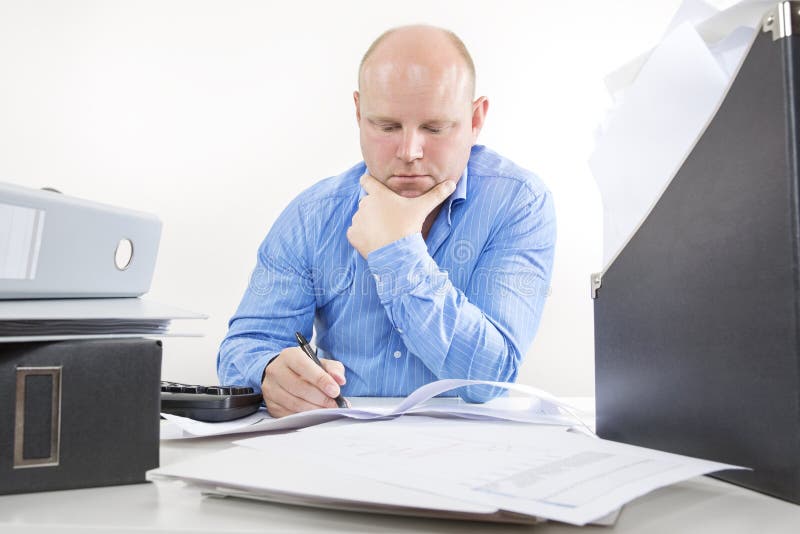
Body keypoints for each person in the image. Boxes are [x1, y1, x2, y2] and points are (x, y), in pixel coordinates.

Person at [217, 24, 556, 417]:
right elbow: (243, 347)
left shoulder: (518, 203)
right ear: (359, 112)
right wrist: (269, 372)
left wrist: (397, 251)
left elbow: (488, 377)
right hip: (341, 449)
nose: (410, 151)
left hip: (468, 458)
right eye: (387, 126)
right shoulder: (312, 216)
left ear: (476, 118)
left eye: (435, 127)